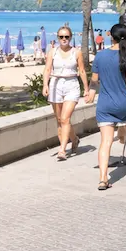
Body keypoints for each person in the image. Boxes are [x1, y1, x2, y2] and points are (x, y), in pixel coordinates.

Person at [88, 23, 126, 190]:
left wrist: (91, 93)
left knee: (105, 142)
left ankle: (103, 178)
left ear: (110, 36)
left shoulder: (100, 56)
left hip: (105, 104)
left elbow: (94, 81)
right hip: (124, 104)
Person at [42, 27, 89, 161]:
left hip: (71, 85)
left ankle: (62, 149)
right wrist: (45, 85)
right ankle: (74, 139)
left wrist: (86, 89)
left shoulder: (76, 52)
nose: (64, 39)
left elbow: (82, 71)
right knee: (59, 120)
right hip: (55, 84)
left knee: (65, 118)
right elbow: (47, 69)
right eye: (61, 37)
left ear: (70, 37)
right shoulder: (53, 52)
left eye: (66, 37)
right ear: (57, 38)